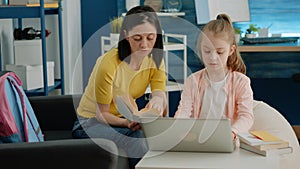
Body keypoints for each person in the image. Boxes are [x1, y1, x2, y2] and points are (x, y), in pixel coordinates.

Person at [72, 6, 167, 169]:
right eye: (137, 38)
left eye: (150, 37)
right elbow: (101, 114)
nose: (145, 45)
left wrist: (158, 99)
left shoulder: (155, 58)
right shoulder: (108, 64)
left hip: (124, 119)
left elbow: (159, 89)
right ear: (126, 35)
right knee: (136, 137)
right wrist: (126, 123)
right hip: (90, 123)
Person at [174, 14, 254, 139]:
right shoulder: (192, 81)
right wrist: (178, 129)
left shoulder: (241, 82)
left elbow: (246, 117)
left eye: (219, 52)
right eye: (207, 51)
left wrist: (232, 132)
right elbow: (183, 111)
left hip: (227, 140)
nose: (212, 57)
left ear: (231, 50)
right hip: (198, 140)